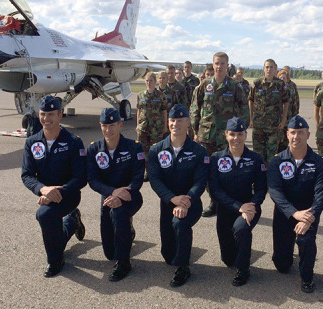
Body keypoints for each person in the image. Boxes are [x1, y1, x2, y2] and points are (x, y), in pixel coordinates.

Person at [21, 95, 87, 277]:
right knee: (49, 218)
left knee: (44, 214)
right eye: (43, 114)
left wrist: (56, 191)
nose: (46, 118)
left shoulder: (73, 142)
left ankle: (55, 261)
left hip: (69, 194)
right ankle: (72, 222)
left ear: (60, 115)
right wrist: (43, 190)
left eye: (51, 114)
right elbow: (27, 175)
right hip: (45, 195)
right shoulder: (32, 142)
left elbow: (81, 177)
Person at [267, 115, 323, 293]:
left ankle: (307, 276)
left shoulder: (319, 163)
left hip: (308, 215)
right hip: (284, 214)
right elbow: (275, 192)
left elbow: (320, 196)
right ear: (287, 134)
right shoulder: (277, 161)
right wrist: (294, 213)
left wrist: (309, 218)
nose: (296, 137)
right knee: (281, 266)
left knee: (306, 240)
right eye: (293, 132)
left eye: (300, 133)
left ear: (308, 135)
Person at [148, 104, 209, 287]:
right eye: (172, 120)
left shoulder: (199, 152)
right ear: (168, 122)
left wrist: (185, 201)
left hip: (191, 203)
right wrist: (173, 199)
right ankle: (182, 249)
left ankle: (183, 268)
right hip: (168, 204)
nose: (175, 124)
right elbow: (155, 180)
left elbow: (200, 182)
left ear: (188, 122)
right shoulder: (157, 150)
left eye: (180, 120)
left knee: (180, 223)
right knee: (168, 256)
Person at [86, 108, 145, 281]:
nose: (108, 130)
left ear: (120, 125)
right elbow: (92, 180)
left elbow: (137, 179)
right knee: (109, 253)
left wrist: (120, 195)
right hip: (108, 198)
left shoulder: (134, 147)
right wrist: (112, 192)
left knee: (119, 213)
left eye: (112, 125)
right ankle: (127, 231)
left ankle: (124, 263)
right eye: (104, 126)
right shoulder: (94, 149)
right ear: (100, 126)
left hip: (131, 196)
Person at [190, 52, 249, 217]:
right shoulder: (204, 85)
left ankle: (228, 202)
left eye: (222, 63)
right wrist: (195, 131)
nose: (219, 66)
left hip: (227, 138)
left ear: (227, 65)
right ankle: (214, 202)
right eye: (217, 63)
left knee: (227, 170)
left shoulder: (235, 86)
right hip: (206, 136)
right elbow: (195, 108)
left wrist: (240, 133)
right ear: (213, 64)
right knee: (207, 171)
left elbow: (244, 110)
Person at [209, 117, 267, 286]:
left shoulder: (255, 158)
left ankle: (243, 269)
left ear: (245, 135)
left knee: (241, 229)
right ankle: (240, 250)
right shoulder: (216, 158)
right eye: (232, 134)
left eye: (240, 134)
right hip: (226, 209)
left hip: (249, 208)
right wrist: (237, 206)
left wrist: (252, 206)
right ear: (226, 135)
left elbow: (261, 189)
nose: (236, 138)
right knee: (228, 260)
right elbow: (215, 189)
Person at [249, 58, 289, 166]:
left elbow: (286, 102)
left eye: (271, 67)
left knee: (272, 154)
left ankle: (270, 174)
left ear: (275, 69)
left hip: (274, 126)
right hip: (258, 124)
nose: (269, 69)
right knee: (258, 154)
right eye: (267, 67)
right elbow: (251, 100)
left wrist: (284, 120)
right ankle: (259, 175)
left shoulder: (280, 84)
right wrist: (251, 118)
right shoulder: (256, 83)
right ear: (263, 68)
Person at [136, 72, 168, 181]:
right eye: (147, 80)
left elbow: (164, 111)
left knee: (155, 150)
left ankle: (156, 172)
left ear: (155, 81)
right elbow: (139, 110)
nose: (149, 83)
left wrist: (165, 127)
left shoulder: (160, 95)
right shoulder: (140, 95)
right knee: (143, 150)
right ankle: (147, 172)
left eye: (151, 80)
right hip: (143, 127)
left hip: (156, 128)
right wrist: (137, 125)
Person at [277, 68, 300, 152]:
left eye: (284, 78)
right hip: (277, 117)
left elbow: (295, 100)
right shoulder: (276, 88)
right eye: (281, 77)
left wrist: (295, 113)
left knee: (286, 139)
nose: (282, 79)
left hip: (289, 116)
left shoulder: (291, 87)